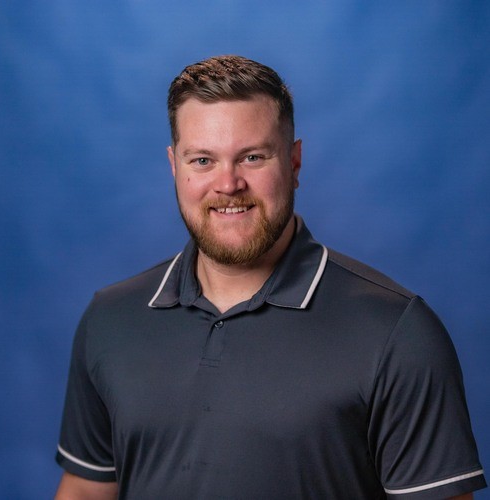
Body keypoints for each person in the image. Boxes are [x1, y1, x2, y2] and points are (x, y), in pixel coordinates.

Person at [55, 55, 486, 499]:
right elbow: (85, 492)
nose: (228, 184)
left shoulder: (397, 333)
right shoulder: (111, 318)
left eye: (253, 157)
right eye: (202, 160)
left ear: (294, 163)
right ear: (174, 166)